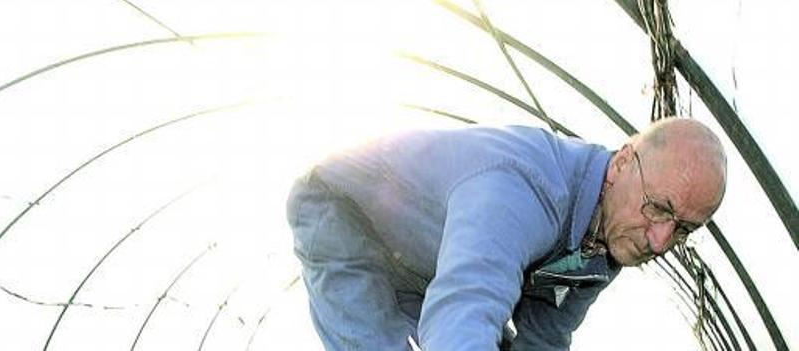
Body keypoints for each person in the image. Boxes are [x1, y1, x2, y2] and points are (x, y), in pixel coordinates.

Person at [286, 117, 727, 351]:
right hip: (349, 216)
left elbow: (545, 336)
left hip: (426, 267)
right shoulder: (524, 189)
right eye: (659, 208)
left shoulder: (606, 244)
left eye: (682, 229)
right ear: (623, 163)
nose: (658, 240)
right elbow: (463, 308)